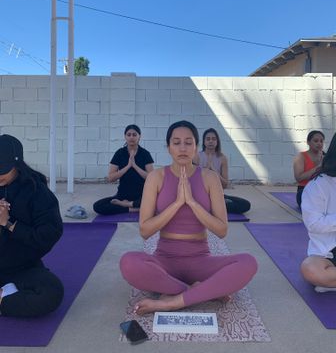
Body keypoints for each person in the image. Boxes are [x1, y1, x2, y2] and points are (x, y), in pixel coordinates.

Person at [120, 121, 257, 315]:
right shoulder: (156, 177)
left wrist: (192, 202)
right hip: (164, 260)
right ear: (168, 147)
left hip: (200, 260)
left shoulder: (209, 178)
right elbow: (145, 231)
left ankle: (171, 302)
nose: (182, 148)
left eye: (188, 142)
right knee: (129, 262)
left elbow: (221, 230)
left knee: (248, 263)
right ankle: (203, 291)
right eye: (176, 142)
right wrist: (177, 203)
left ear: (195, 147)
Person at [0, 134, 64, 317]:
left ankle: (4, 301)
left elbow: (48, 235)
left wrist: (9, 223)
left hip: (23, 268)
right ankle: (8, 299)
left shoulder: (37, 191)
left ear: (17, 163)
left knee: (51, 293)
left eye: (2, 169)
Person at [300, 132, 336, 293]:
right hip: (329, 251)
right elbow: (314, 224)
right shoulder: (318, 185)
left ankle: (331, 282)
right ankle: (329, 279)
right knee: (310, 269)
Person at [93, 125, 154, 215]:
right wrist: (128, 166)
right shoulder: (119, 153)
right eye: (128, 135)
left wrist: (135, 166)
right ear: (125, 136)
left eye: (134, 134)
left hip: (141, 196)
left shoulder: (145, 154)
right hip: (123, 195)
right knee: (98, 206)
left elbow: (152, 178)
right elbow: (111, 178)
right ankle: (133, 208)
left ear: (139, 136)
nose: (131, 137)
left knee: (157, 202)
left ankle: (126, 205)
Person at [194, 128, 251, 214]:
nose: (210, 141)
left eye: (213, 139)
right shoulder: (197, 157)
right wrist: (205, 171)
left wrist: (214, 172)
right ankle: (213, 207)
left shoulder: (222, 158)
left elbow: (225, 184)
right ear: (204, 141)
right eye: (208, 139)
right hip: (200, 196)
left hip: (216, 195)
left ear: (217, 142)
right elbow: (192, 182)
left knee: (245, 204)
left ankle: (214, 206)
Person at [293, 130, 325, 208]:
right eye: (316, 141)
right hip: (304, 190)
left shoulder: (325, 157)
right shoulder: (301, 157)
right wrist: (318, 167)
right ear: (308, 142)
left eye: (321, 141)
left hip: (322, 191)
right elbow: (299, 178)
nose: (319, 143)